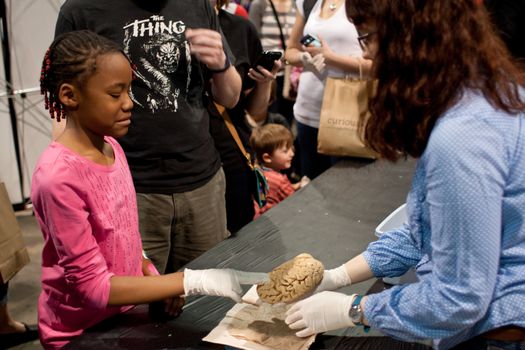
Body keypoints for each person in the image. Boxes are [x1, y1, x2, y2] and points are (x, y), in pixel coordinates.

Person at [284, 1, 525, 349]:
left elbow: (457, 298)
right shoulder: (484, 94)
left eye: (366, 37)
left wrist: (355, 309)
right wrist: (336, 277)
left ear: (405, 36)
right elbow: (424, 232)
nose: (367, 54)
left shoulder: (463, 135)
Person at [32, 30, 266, 350]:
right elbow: (93, 288)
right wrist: (191, 280)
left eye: (129, 89)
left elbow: (128, 237)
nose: (130, 103)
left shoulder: (113, 147)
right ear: (70, 96)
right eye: (116, 94)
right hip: (80, 333)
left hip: (125, 317)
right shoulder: (58, 179)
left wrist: (154, 278)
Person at [54, 0, 242, 274]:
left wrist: (222, 65)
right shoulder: (81, 9)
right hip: (129, 189)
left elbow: (230, 97)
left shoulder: (198, 4)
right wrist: (67, 178)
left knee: (207, 299)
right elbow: (63, 105)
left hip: (202, 182)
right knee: (137, 305)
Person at [209, 0, 281, 233]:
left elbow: (255, 114)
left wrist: (264, 83)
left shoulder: (241, 28)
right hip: (182, 163)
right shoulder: (169, 27)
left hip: (232, 155)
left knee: (238, 240)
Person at [249, 0, 297, 124]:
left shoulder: (296, 5)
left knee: (287, 120)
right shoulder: (260, 4)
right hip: (267, 74)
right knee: (267, 121)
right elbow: (252, 41)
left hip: (289, 75)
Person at [250, 123, 308, 218]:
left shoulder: (258, 169)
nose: (292, 153)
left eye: (291, 148)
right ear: (267, 157)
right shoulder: (279, 181)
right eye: (285, 151)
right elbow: (295, 202)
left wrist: (295, 186)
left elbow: (273, 193)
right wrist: (305, 189)